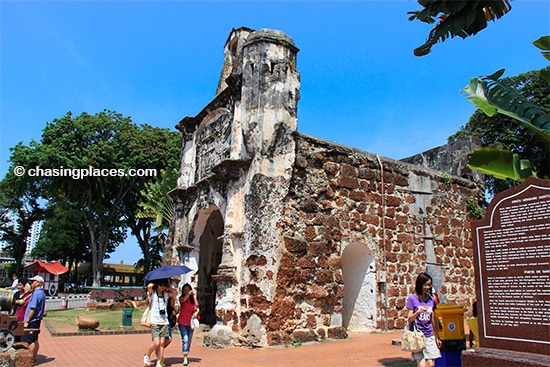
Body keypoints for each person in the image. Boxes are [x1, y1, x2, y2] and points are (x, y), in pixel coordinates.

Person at [406, 273, 441, 367]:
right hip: (417, 336)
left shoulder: (431, 300)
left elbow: (433, 319)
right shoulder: (412, 299)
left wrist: (437, 337)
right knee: (422, 365)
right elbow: (409, 319)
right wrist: (418, 312)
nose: (428, 287)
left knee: (431, 364)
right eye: (425, 285)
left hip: (429, 335)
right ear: (420, 284)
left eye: (429, 285)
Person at [144, 279, 176, 367]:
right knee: (156, 343)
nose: (163, 287)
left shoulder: (165, 294)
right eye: (161, 285)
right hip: (155, 321)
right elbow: (149, 286)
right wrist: (157, 283)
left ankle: (159, 361)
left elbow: (175, 293)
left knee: (162, 343)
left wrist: (167, 287)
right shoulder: (153, 294)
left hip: (164, 321)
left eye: (164, 285)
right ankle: (147, 355)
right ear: (157, 285)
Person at [22, 275, 46, 361]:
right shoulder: (41, 293)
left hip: (33, 320)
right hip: (37, 320)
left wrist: (27, 320)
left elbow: (33, 308)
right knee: (35, 339)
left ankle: (29, 359)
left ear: (37, 283)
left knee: (29, 340)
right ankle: (34, 358)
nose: (32, 283)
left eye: (33, 281)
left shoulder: (37, 293)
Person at [177, 283, 199, 366]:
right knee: (185, 339)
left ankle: (186, 353)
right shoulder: (181, 298)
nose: (186, 292)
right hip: (182, 322)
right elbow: (183, 301)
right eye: (184, 290)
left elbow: (197, 308)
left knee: (189, 340)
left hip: (190, 323)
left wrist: (196, 313)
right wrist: (188, 294)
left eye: (187, 290)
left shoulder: (193, 299)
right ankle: (185, 358)